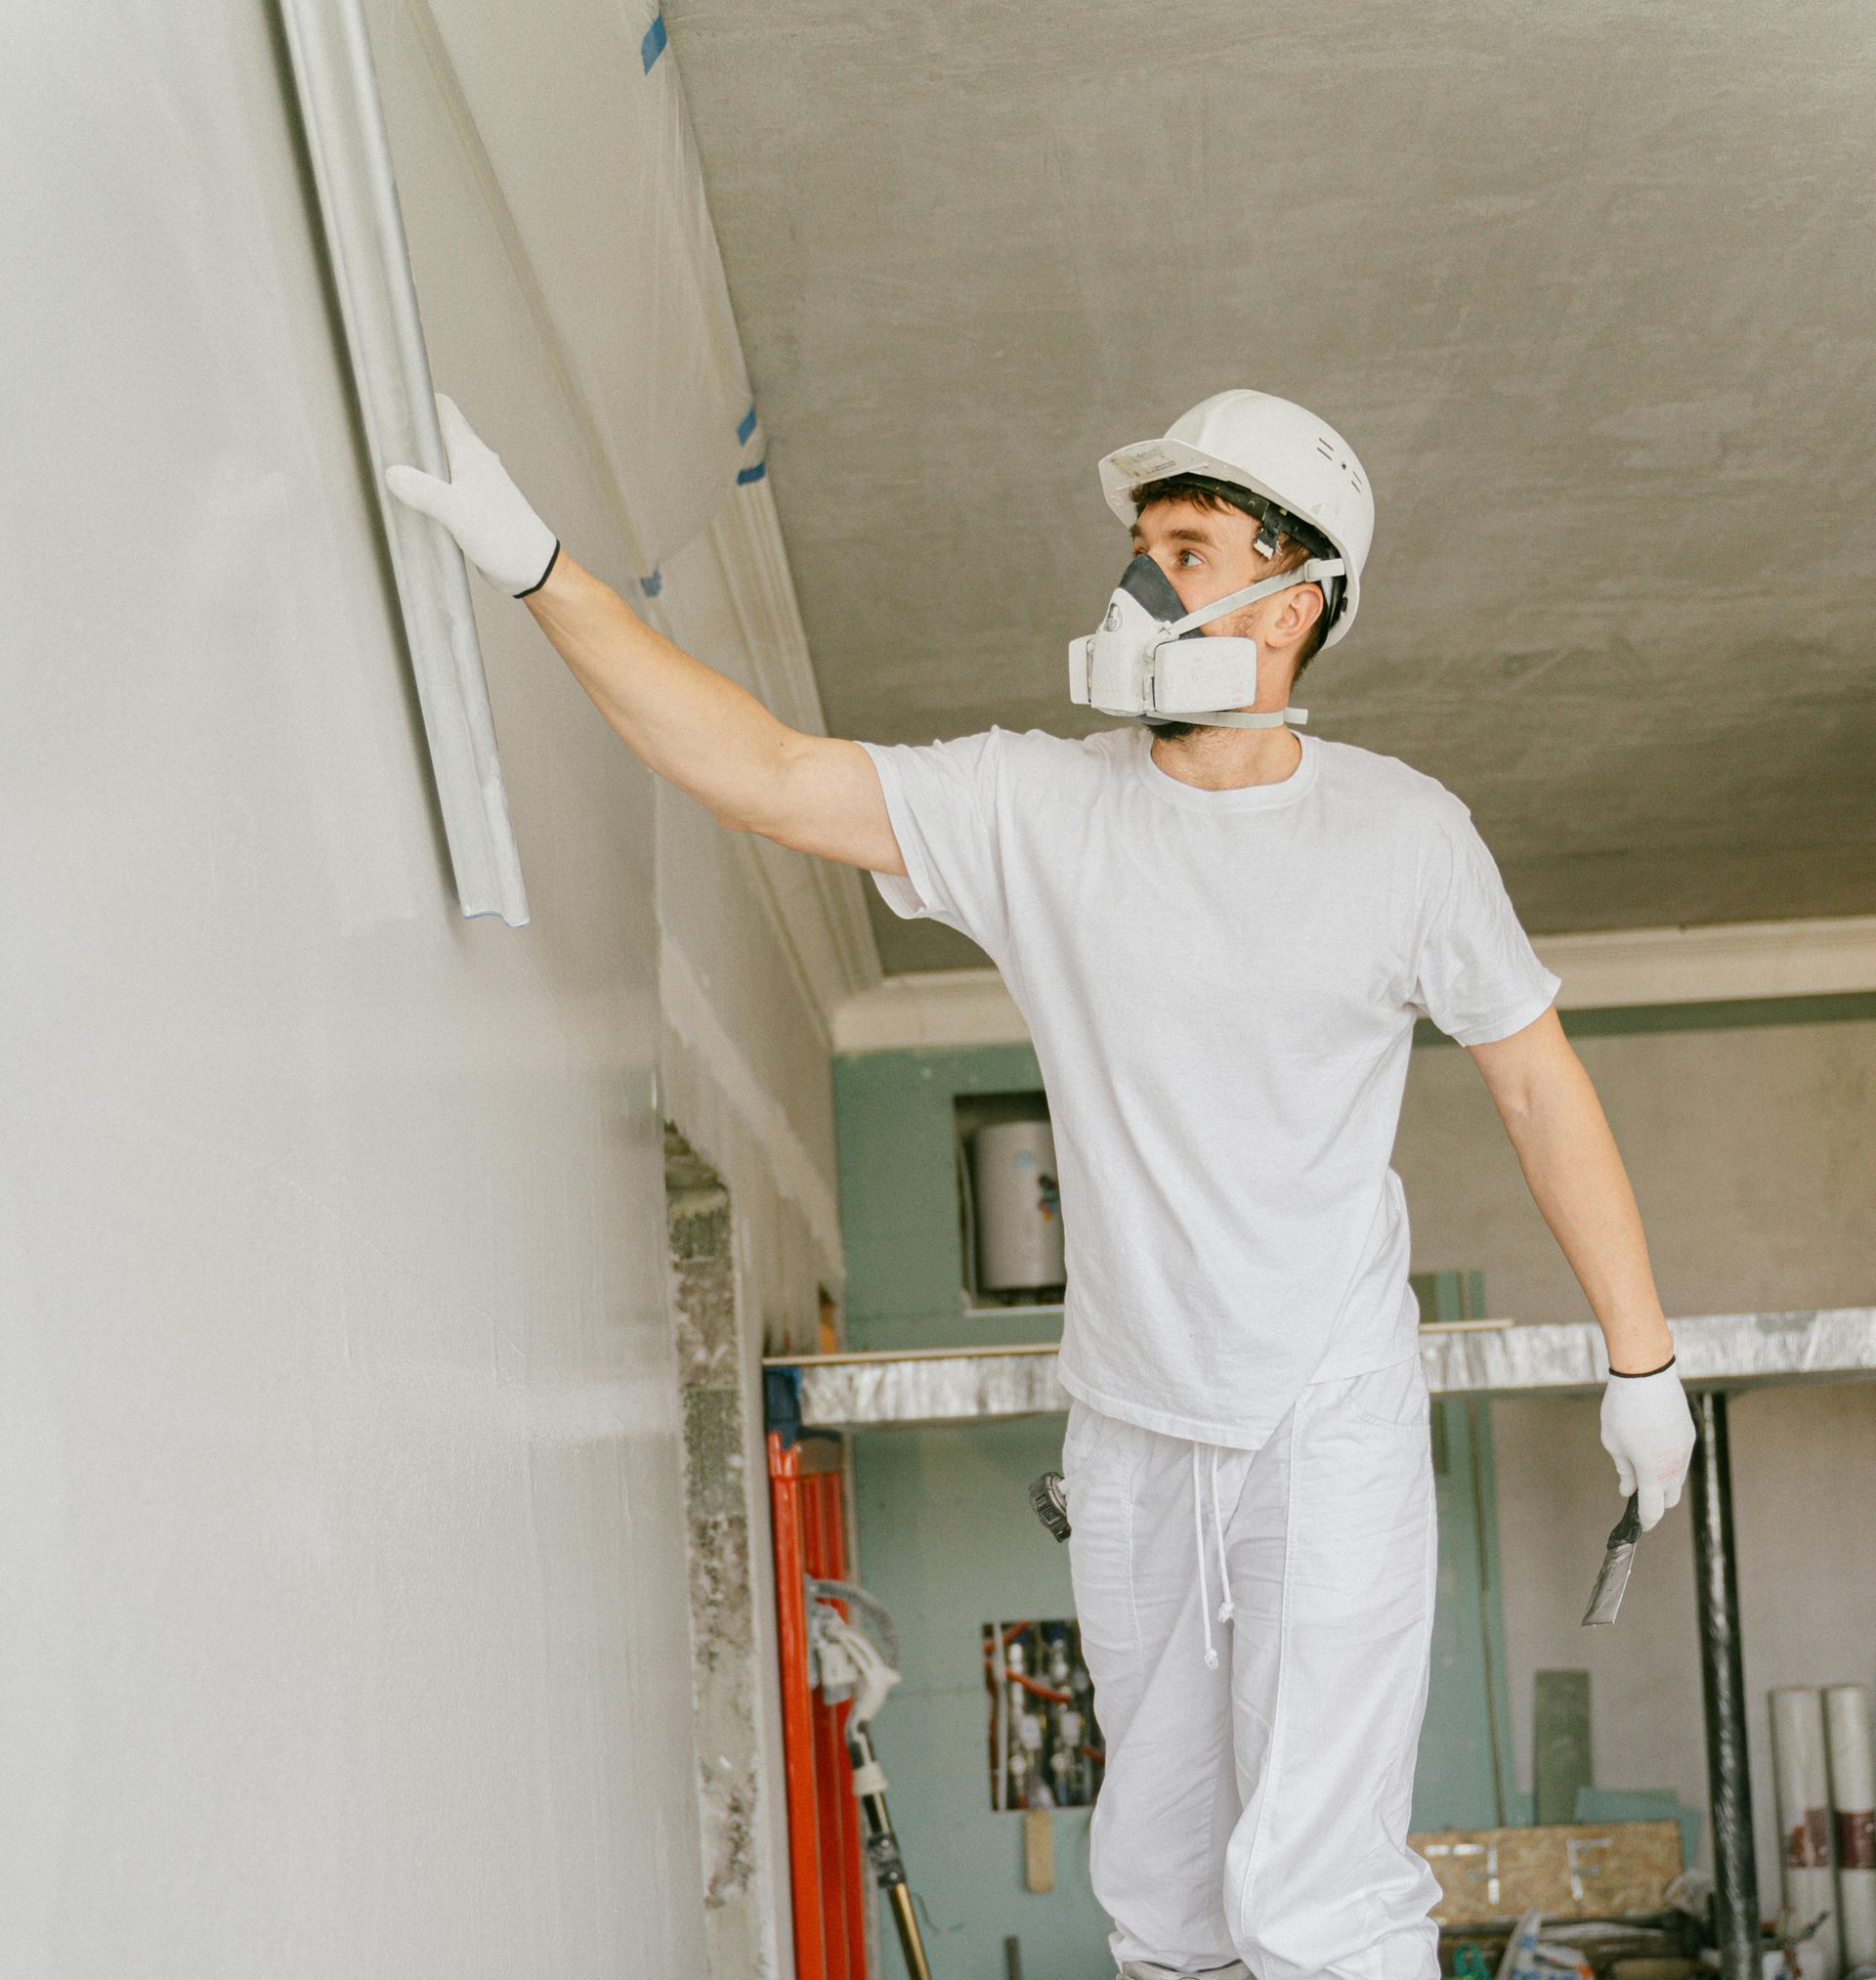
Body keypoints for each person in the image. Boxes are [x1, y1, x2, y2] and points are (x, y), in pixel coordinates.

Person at [388, 390, 1699, 1980]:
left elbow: (1535, 1077)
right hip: (1134, 1414)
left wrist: (1644, 1359)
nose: (1138, 593)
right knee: (1158, 1893)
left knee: (1313, 1895)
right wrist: (538, 564)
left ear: (1293, 604)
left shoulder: (1404, 838)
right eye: (1139, 550)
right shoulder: (1044, 806)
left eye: (1188, 551)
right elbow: (768, 772)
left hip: (1321, 1408)